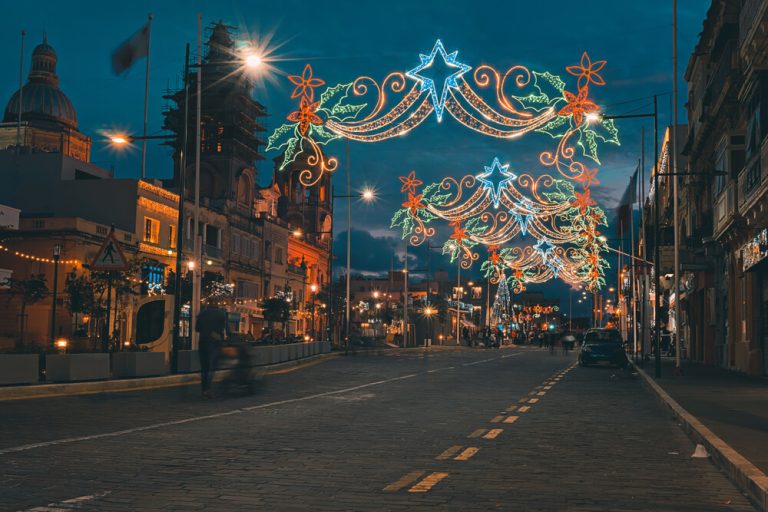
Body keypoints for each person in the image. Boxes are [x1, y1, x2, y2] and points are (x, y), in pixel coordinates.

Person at [196, 304, 228, 398]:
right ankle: (208, 389)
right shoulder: (221, 314)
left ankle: (204, 390)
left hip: (203, 342)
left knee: (204, 368)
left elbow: (197, 329)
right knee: (212, 367)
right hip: (215, 343)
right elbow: (224, 329)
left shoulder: (202, 313)